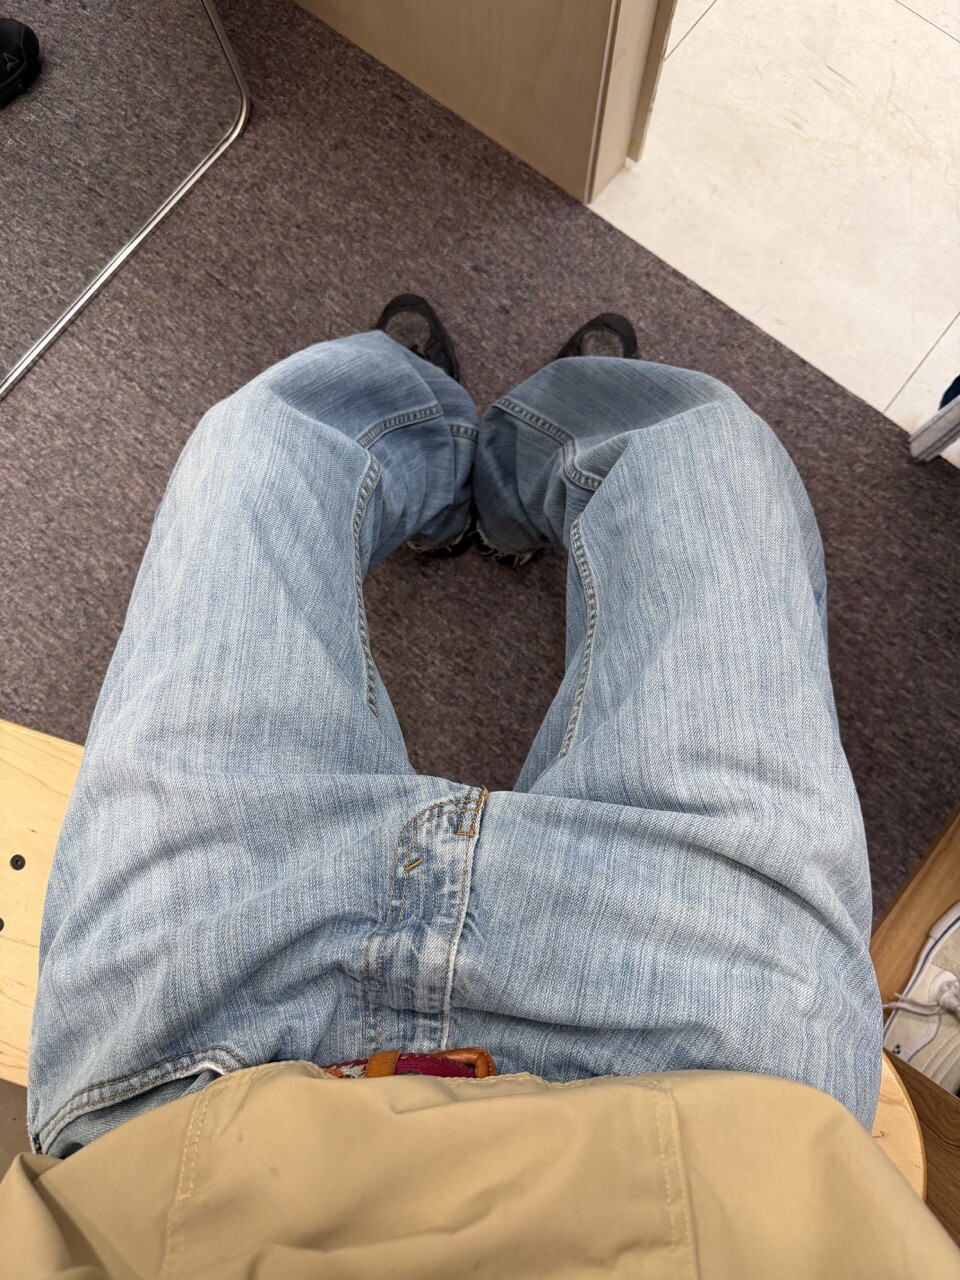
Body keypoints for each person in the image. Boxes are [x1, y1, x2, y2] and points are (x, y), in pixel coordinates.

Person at [2, 297, 958, 1277]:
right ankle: (508, 476)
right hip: (725, 1113)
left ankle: (430, 433)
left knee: (258, 440)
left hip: (179, 1112)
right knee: (709, 449)